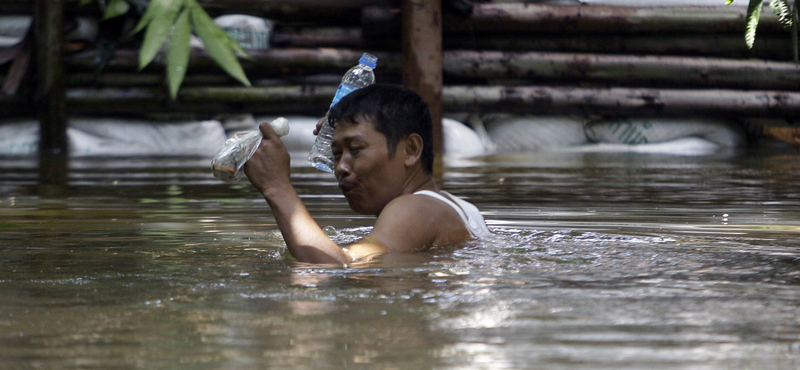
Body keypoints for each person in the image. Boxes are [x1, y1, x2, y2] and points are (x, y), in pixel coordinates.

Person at [244, 84, 490, 265]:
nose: (340, 167)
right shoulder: (455, 207)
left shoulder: (412, 207)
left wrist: (276, 186)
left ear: (411, 150)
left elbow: (338, 264)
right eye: (337, 153)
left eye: (356, 149)